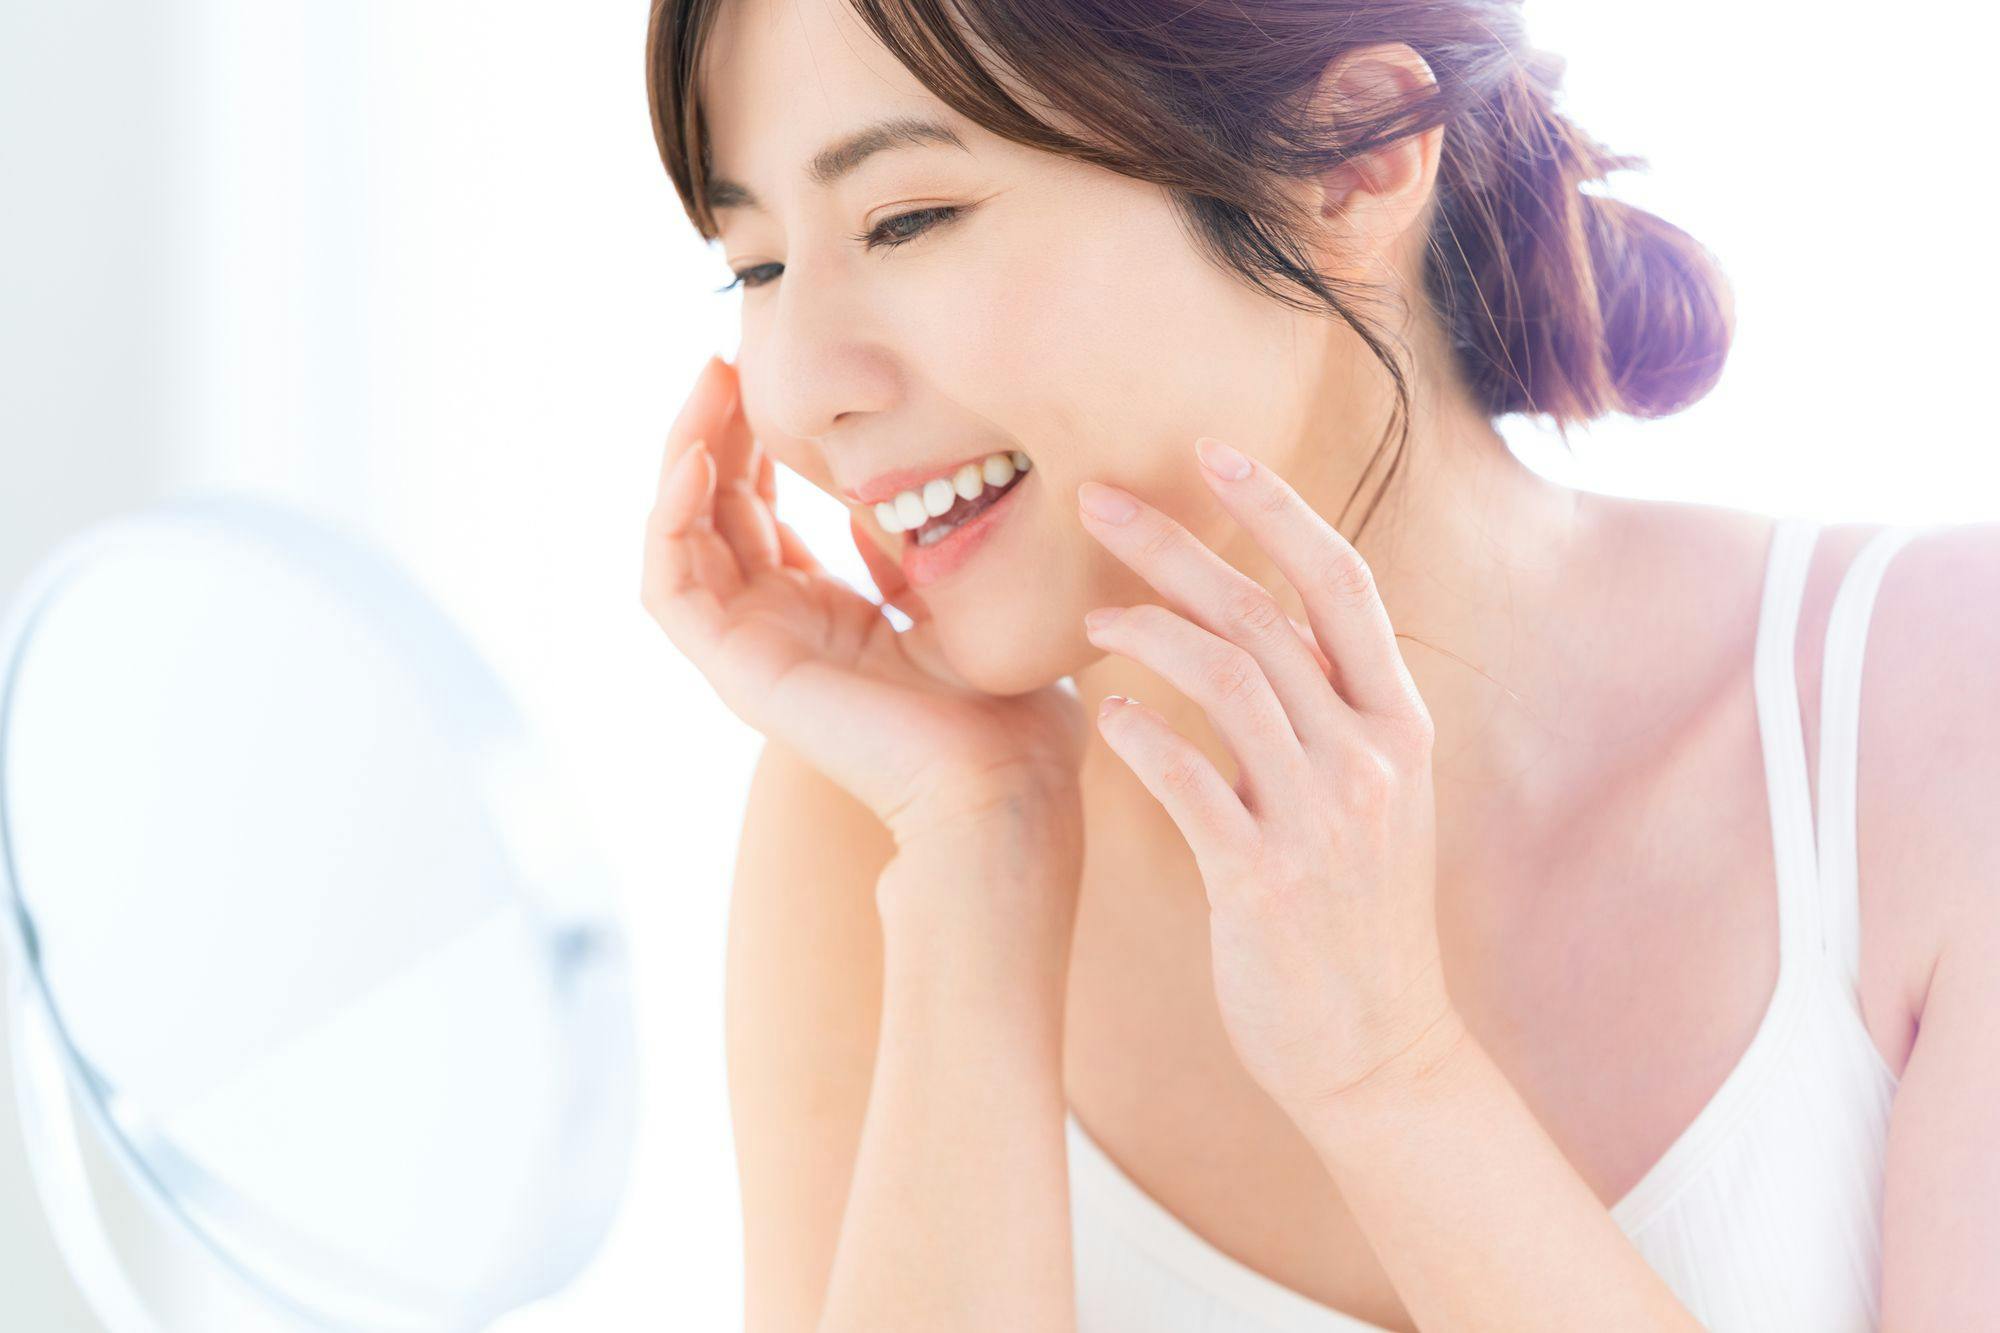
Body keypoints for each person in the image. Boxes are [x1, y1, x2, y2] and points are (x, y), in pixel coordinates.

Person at [637, 0, 2000, 1328]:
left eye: (908, 219)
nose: (795, 389)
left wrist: (1387, 1075)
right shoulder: (881, 821)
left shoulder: (1936, 703)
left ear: (1354, 156)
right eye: (755, 267)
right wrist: (980, 855)